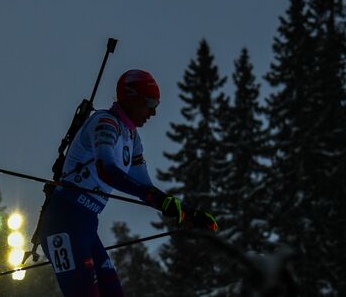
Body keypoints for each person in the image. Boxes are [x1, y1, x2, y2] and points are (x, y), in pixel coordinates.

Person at [37, 69, 217, 297]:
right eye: (150, 103)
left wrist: (188, 213)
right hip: (63, 222)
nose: (154, 111)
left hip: (87, 226)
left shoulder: (133, 139)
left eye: (157, 104)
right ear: (131, 97)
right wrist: (160, 201)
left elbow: (146, 189)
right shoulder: (105, 123)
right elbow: (107, 170)